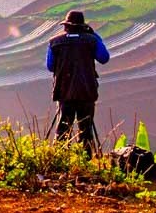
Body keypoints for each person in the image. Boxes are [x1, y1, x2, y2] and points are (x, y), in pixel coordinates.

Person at [46, 9, 110, 155]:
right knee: (86, 129)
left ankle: (60, 158)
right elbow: (104, 58)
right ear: (82, 26)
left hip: (64, 92)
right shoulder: (92, 40)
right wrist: (94, 35)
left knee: (63, 129)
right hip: (86, 91)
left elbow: (50, 66)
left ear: (66, 25)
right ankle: (86, 159)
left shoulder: (54, 42)